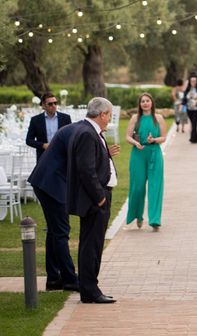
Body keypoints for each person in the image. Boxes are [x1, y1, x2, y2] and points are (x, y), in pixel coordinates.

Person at [66, 97, 119, 304]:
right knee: (91, 245)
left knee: (93, 244)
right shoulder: (88, 133)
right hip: (95, 200)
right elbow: (86, 171)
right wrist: (100, 199)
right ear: (102, 114)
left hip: (98, 197)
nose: (109, 120)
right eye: (109, 115)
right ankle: (89, 290)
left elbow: (94, 163)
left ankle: (90, 287)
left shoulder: (91, 131)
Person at [28, 122, 81, 292]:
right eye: (108, 116)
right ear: (101, 115)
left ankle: (53, 279)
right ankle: (70, 279)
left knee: (54, 231)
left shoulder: (77, 128)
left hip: (46, 181)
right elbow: (80, 162)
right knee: (61, 232)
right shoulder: (82, 132)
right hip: (51, 184)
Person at [126, 93, 166, 232]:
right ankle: (138, 216)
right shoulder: (135, 118)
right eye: (142, 101)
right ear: (140, 104)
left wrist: (154, 140)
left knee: (155, 187)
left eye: (147, 101)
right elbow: (127, 136)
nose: (145, 103)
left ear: (151, 102)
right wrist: (136, 142)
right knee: (137, 187)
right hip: (138, 154)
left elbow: (163, 137)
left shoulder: (159, 118)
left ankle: (155, 220)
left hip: (155, 154)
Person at [26, 92, 72, 161]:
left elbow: (71, 137)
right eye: (50, 104)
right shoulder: (35, 120)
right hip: (43, 157)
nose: (53, 105)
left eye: (55, 103)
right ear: (43, 106)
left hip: (62, 157)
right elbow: (29, 140)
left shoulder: (65, 118)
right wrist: (43, 145)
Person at [182, 74, 197, 144]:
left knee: (194, 123)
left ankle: (193, 139)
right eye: (192, 81)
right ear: (190, 81)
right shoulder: (187, 90)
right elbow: (184, 100)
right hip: (189, 109)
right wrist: (184, 110)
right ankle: (194, 138)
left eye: (195, 81)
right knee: (193, 123)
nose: (193, 82)